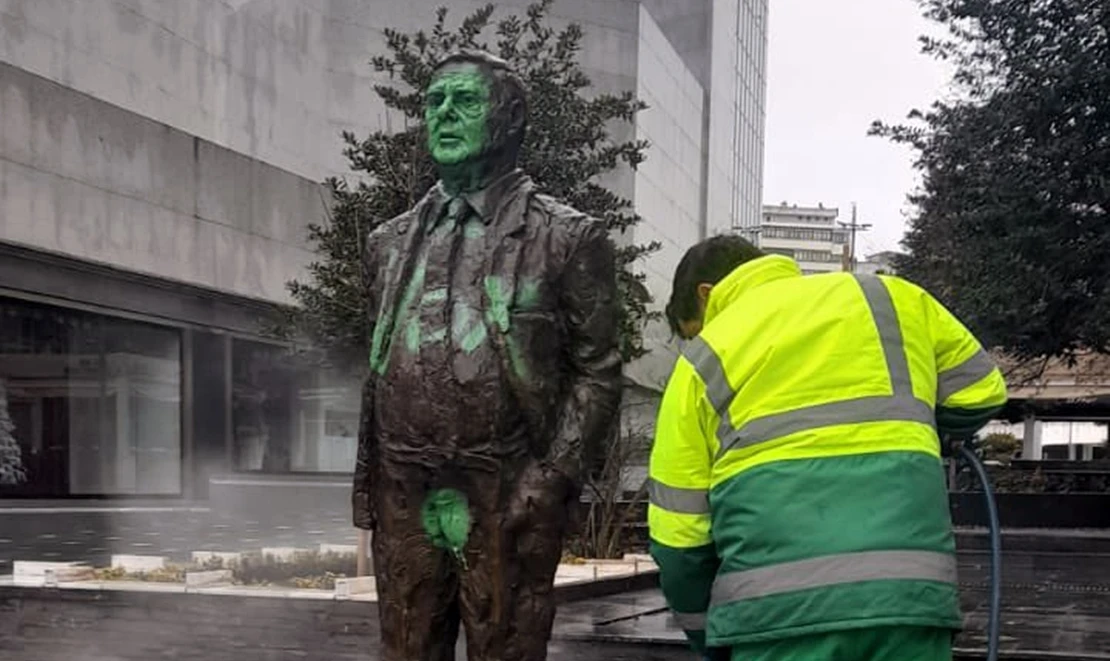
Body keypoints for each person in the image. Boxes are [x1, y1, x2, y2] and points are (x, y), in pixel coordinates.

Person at [352, 49, 622, 661]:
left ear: (511, 117)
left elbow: (599, 372)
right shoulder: (388, 243)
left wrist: (550, 478)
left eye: (465, 101)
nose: (443, 114)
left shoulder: (567, 237)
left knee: (506, 650)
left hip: (508, 488)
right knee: (406, 649)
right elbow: (379, 365)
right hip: (404, 488)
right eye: (434, 102)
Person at [648, 236, 1008, 661]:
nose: (699, 339)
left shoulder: (702, 360)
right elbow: (982, 391)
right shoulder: (891, 297)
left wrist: (707, 636)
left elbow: (679, 541)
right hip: (909, 601)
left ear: (706, 294)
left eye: (695, 329)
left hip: (774, 619)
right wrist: (926, 428)